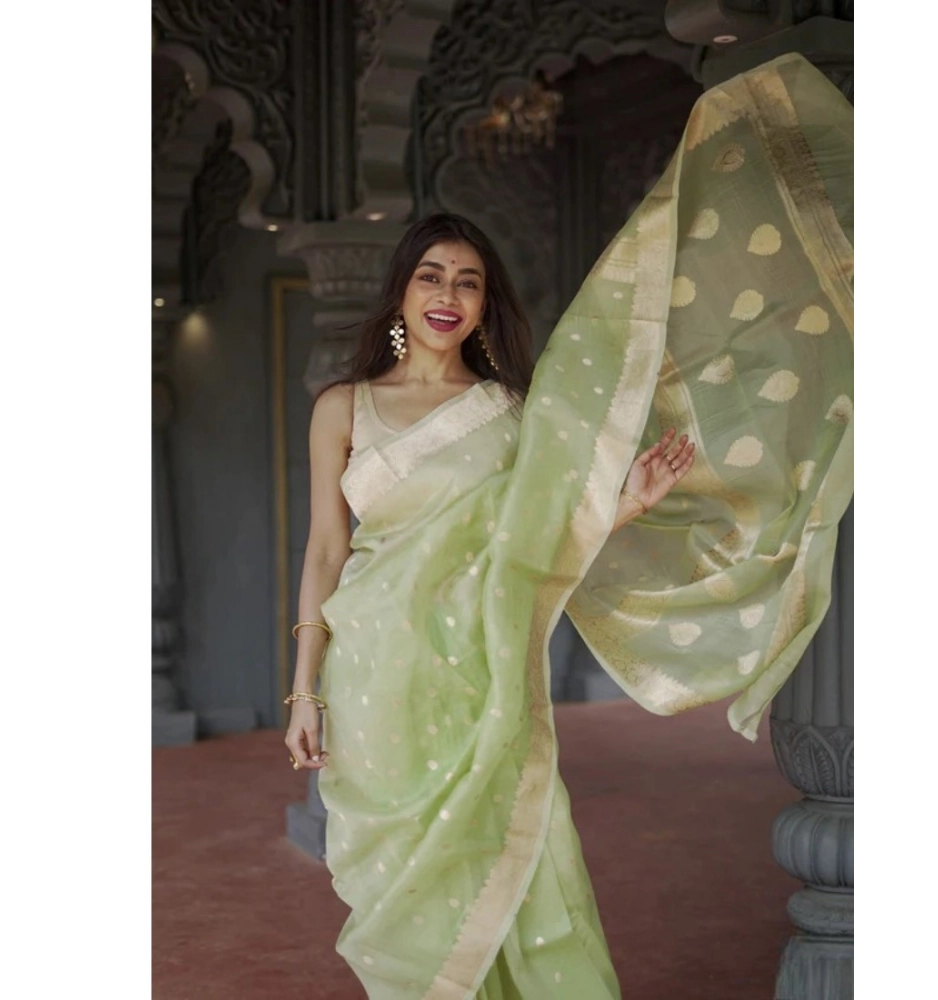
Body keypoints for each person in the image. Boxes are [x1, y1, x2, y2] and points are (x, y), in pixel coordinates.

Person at [284, 52, 853, 1000]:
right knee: (397, 889)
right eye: (431, 275)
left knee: (519, 848)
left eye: (468, 282)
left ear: (482, 306)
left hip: (481, 666)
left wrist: (623, 501)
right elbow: (324, 550)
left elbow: (536, 529)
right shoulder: (342, 406)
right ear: (401, 292)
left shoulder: (508, 415)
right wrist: (304, 689)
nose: (447, 294)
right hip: (375, 671)